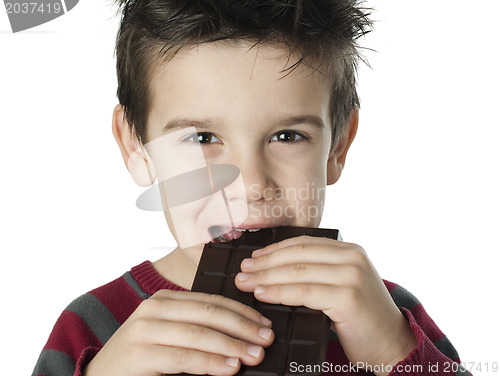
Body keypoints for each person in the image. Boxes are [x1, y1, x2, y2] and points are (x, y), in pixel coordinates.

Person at [32, 1, 469, 375]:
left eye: (287, 136)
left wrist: (391, 353)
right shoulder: (92, 328)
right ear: (138, 148)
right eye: (202, 138)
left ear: (338, 145)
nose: (252, 186)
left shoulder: (383, 311)